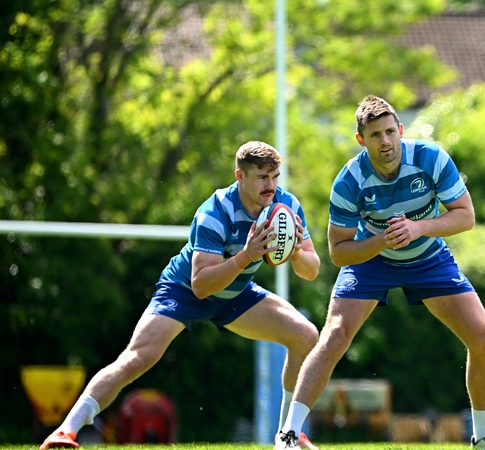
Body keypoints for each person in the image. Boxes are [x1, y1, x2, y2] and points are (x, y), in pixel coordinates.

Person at [41, 141, 321, 450]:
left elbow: (312, 270)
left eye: (275, 176)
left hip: (235, 294)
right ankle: (66, 431)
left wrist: (295, 252)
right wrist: (246, 255)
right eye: (261, 178)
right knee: (137, 358)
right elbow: (201, 284)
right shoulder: (215, 211)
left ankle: (287, 436)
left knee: (306, 335)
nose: (270, 186)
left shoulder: (286, 206)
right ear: (239, 176)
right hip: (184, 290)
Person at [275, 95, 485, 449]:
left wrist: (419, 228)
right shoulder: (349, 181)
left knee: (484, 337)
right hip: (371, 261)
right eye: (375, 135)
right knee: (333, 334)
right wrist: (382, 241)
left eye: (390, 132)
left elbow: (465, 216)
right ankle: (288, 435)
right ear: (361, 140)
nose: (385, 142)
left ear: (401, 131)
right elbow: (338, 251)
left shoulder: (431, 158)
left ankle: (484, 437)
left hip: (428, 257)